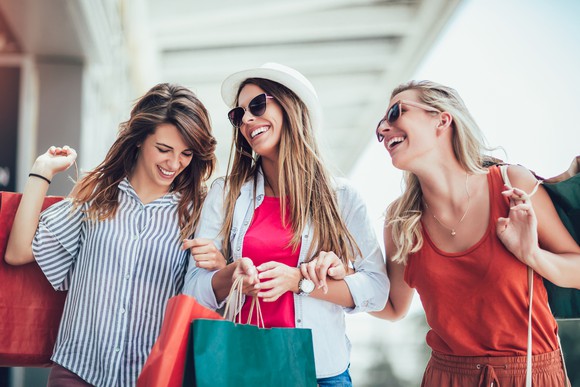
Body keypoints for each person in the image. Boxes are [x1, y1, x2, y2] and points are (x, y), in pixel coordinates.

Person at [182, 62, 389, 385]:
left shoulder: (342, 197)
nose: (247, 119)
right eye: (238, 115)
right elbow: (192, 291)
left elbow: (377, 290)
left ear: (290, 107)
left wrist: (299, 282)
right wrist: (230, 274)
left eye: (257, 105)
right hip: (243, 371)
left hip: (321, 374)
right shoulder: (225, 194)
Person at [5, 83, 217, 386]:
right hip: (78, 372)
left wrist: (219, 264)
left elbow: (207, 294)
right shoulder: (97, 193)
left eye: (186, 154)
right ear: (141, 139)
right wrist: (43, 171)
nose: (174, 163)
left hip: (151, 377)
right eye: (164, 149)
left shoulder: (198, 212)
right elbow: (18, 252)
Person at [372, 80, 580, 386]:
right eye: (379, 126)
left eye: (394, 113)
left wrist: (532, 255)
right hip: (447, 378)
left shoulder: (512, 186)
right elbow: (391, 306)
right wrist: (317, 277)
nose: (383, 130)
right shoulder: (401, 220)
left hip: (530, 376)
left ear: (442, 119)